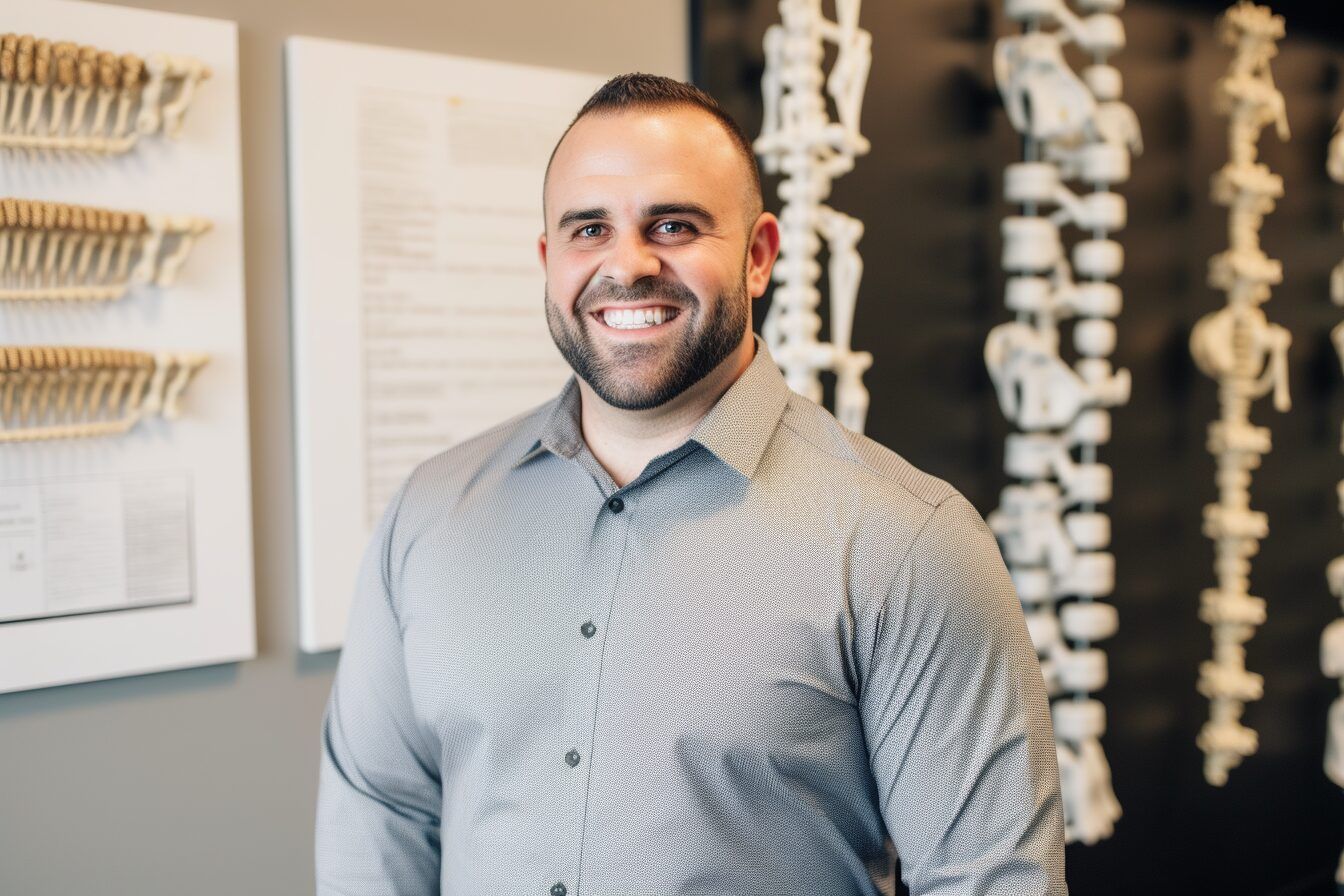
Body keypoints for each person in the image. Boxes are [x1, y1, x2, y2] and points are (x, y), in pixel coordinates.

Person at [316, 73, 1066, 896]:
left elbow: (991, 883)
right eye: (589, 229)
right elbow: (379, 820)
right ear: (548, 260)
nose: (628, 265)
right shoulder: (432, 512)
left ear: (757, 256)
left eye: (673, 225)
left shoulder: (906, 542)